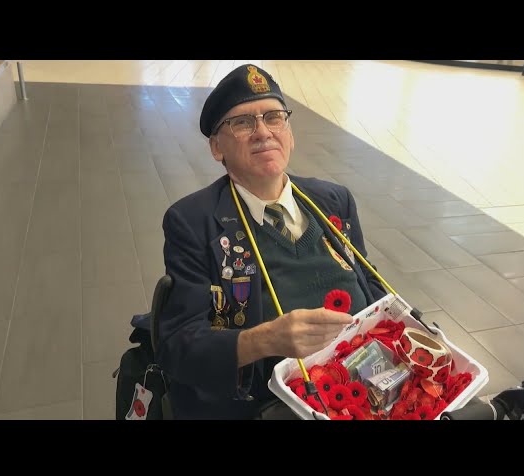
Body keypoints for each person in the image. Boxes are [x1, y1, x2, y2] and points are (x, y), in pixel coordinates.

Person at [157, 64, 387, 419]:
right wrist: (262, 340)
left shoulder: (333, 201)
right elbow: (177, 346)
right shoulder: (193, 222)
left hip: (362, 381)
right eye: (243, 122)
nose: (263, 132)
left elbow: (370, 282)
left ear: (290, 135)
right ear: (217, 147)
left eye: (274, 117)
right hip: (271, 403)